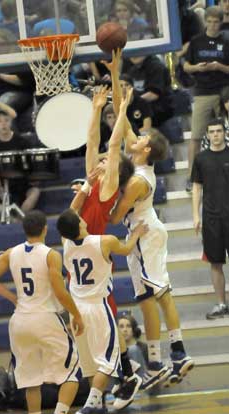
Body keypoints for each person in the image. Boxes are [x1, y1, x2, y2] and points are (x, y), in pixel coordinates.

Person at [108, 55, 194, 394]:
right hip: (142, 234)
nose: (137, 136)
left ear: (146, 150)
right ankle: (157, 362)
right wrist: (115, 76)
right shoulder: (137, 153)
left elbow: (116, 217)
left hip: (145, 233)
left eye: (142, 138)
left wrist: (107, 200)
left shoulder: (138, 181)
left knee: (160, 293)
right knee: (147, 299)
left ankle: (179, 351)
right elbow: (121, 116)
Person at [70, 76, 142, 410]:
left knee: (109, 325)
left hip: (98, 254)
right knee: (100, 331)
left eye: (104, 162)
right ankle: (125, 373)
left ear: (114, 171)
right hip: (80, 255)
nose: (98, 161)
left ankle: (123, 375)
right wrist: (96, 110)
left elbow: (113, 148)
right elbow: (91, 142)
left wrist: (122, 108)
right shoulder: (91, 180)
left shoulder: (109, 187)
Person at [57, 208, 148, 414]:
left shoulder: (66, 245)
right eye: (80, 217)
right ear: (80, 224)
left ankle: (97, 406)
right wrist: (136, 233)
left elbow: (68, 217)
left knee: (89, 364)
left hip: (76, 310)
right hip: (97, 307)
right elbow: (126, 250)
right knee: (107, 361)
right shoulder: (105, 241)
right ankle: (89, 407)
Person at [0, 210, 84, 414]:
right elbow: (59, 291)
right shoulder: (51, 255)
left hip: (19, 321)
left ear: (24, 230)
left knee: (31, 381)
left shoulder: (11, 252)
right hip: (45, 318)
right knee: (73, 372)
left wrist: (12, 298)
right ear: (45, 229)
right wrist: (77, 314)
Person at [183, 5, 229, 192]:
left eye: (216, 22)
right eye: (209, 21)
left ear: (221, 22)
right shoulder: (196, 41)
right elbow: (186, 66)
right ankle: (191, 177)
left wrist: (220, 66)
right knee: (196, 136)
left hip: (225, 91)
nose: (212, 25)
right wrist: (196, 68)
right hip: (202, 91)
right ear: (205, 21)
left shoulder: (227, 41)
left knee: (226, 133)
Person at [191, 118, 229, 319]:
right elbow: (197, 187)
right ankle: (221, 304)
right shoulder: (201, 159)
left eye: (219, 131)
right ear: (207, 134)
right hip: (211, 218)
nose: (215, 135)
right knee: (215, 263)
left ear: (224, 133)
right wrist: (196, 215)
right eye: (212, 131)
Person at [0, 109, 40, 214]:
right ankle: (6, 212)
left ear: (11, 122)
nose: (3, 124)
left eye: (6, 120)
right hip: (1, 185)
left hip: (21, 183)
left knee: (35, 192)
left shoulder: (22, 142)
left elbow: (31, 166)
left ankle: (20, 216)